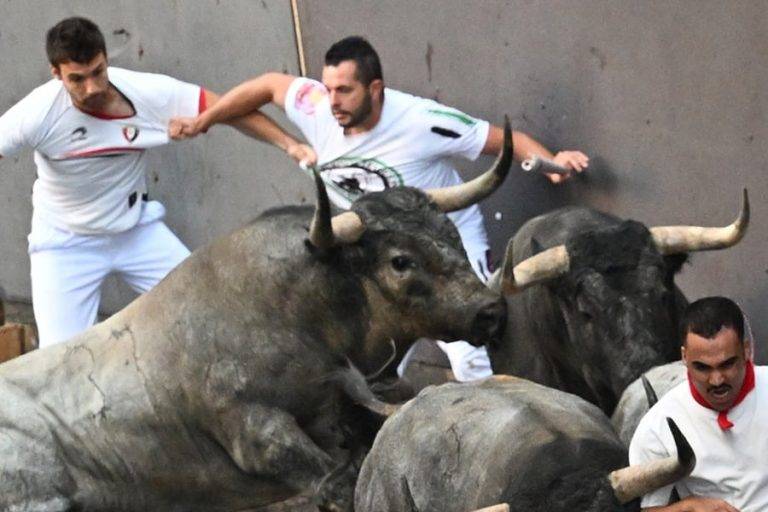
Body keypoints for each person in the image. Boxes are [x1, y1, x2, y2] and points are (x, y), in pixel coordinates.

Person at [170, 35, 589, 381]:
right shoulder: (316, 106)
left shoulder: (423, 120)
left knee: (470, 356)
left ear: (375, 89)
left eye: (344, 91)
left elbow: (500, 141)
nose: (332, 101)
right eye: (328, 88)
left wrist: (552, 162)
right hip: (382, 253)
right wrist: (206, 121)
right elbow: (267, 85)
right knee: (372, 363)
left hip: (447, 246)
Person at [0, 17, 311, 347]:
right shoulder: (38, 111)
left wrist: (290, 144)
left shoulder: (149, 92)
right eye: (77, 79)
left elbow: (228, 109)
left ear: (106, 59)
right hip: (64, 243)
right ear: (56, 74)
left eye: (98, 71)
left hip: (135, 231)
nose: (91, 87)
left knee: (212, 310)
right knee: (57, 361)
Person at [629, 296, 767, 511]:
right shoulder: (656, 428)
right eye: (702, 367)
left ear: (747, 350)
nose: (717, 380)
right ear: (684, 356)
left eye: (727, 364)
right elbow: (648, 509)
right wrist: (688, 508)